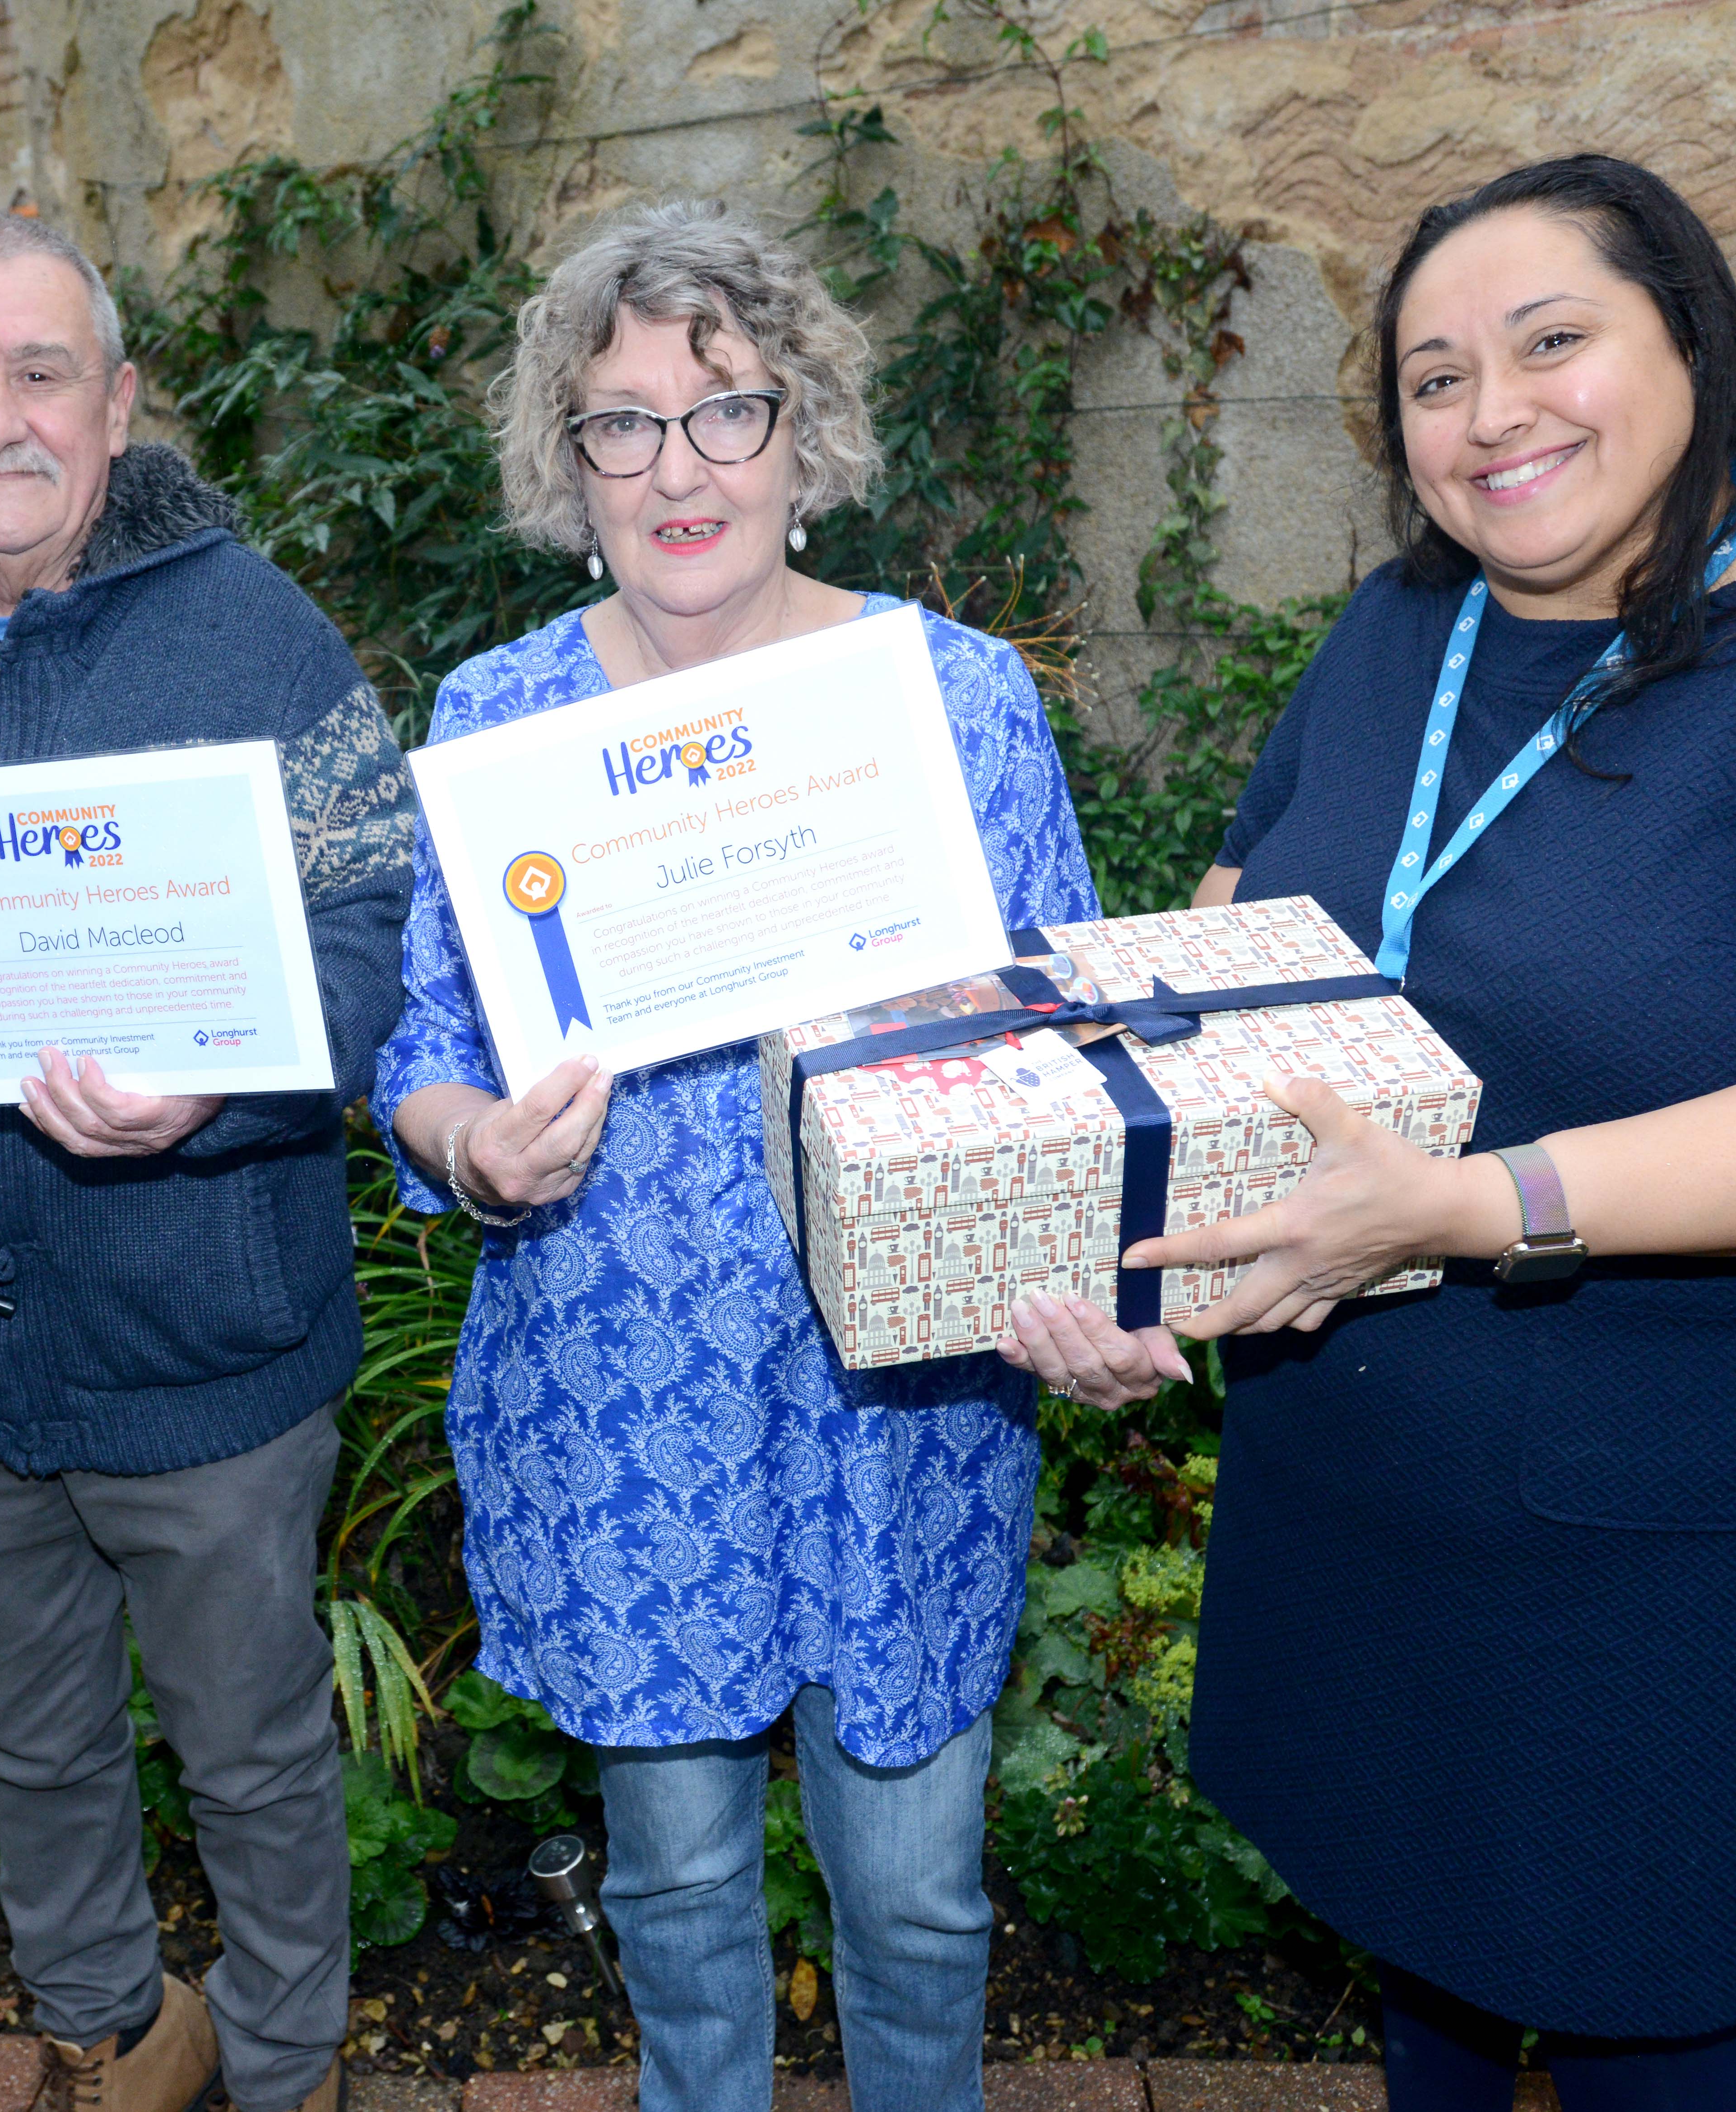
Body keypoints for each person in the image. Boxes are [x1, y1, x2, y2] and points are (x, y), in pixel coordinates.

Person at [1030, 154, 1736, 2109]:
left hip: (1690, 1526)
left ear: (1691, 338)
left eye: (1550, 342)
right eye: (1433, 378)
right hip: (1371, 1482)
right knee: (1417, 1937)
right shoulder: (1406, 628)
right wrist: (1101, 1239)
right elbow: (1237, 926)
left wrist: (1463, 1205)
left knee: (1657, 1992)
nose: (1490, 412)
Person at [374, 200, 1119, 2112]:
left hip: (902, 1399)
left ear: (807, 437)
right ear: (572, 459)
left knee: (917, 1901)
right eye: (622, 423)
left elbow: (1064, 1051)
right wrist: (475, 1152)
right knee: (681, 1882)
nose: (678, 467)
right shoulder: (500, 720)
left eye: (725, 411)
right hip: (626, 1404)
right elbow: (429, 1058)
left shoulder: (953, 703)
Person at [0, 212, 414, 2112]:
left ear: (117, 403)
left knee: (255, 1751)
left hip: (206, 1330)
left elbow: (378, 928)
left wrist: (232, 1089)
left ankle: (284, 2070)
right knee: (29, 1745)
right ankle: (111, 2041)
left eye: (42, 372)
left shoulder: (251, 631)